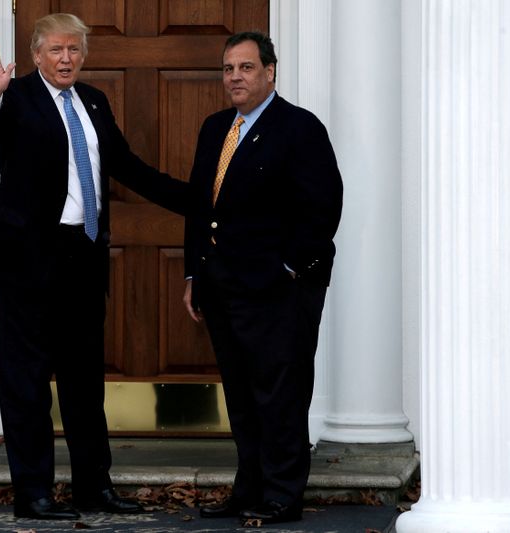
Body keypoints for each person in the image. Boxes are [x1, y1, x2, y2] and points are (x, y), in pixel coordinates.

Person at [0, 13, 187, 520]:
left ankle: (94, 487)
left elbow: (127, 166)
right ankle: (34, 493)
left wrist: (197, 201)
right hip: (27, 257)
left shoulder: (94, 101)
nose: (66, 59)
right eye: (56, 51)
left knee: (84, 380)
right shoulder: (16, 97)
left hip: (83, 256)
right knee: (26, 381)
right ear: (37, 55)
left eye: (74, 50)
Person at [183, 31, 343, 524]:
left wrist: (290, 269)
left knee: (281, 393)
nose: (235, 77)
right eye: (229, 68)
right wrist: (194, 272)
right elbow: (199, 205)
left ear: (270, 71)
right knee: (242, 395)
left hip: (281, 290)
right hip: (223, 286)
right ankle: (249, 488)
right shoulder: (215, 129)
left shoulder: (299, 128)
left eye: (246, 67)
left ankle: (282, 494)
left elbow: (324, 206)